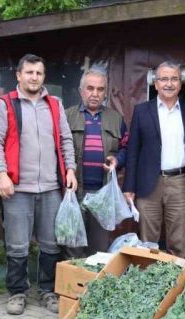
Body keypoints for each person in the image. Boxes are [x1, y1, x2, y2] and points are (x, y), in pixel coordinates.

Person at [0, 54, 77, 316]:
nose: (34, 77)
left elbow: (65, 139)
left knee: (51, 243)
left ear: (43, 76)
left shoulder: (55, 105)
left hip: (51, 187)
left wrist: (70, 169)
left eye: (38, 73)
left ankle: (47, 290)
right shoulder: (5, 105)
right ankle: (17, 292)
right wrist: (1, 174)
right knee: (17, 244)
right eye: (29, 72)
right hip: (17, 188)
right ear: (18, 75)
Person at [123, 61, 185, 257]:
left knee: (177, 241)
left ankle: (176, 283)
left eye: (174, 79)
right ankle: (148, 282)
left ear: (180, 83)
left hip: (180, 182)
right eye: (164, 79)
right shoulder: (142, 111)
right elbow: (133, 150)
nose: (169, 84)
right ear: (156, 83)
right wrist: (129, 187)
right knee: (148, 241)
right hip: (148, 183)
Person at [64, 67, 128, 256]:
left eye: (100, 89)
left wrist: (118, 160)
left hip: (102, 193)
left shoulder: (116, 119)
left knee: (98, 249)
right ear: (81, 90)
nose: (95, 93)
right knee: (72, 244)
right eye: (90, 88)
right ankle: (72, 284)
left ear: (105, 92)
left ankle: (92, 284)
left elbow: (127, 147)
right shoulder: (66, 116)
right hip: (74, 191)